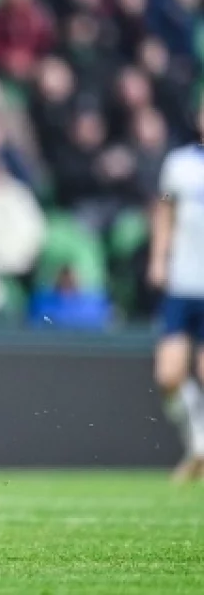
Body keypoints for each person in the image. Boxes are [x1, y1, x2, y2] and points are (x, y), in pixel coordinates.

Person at [148, 96, 204, 482]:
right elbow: (165, 209)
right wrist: (158, 258)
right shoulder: (179, 165)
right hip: (183, 282)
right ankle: (198, 442)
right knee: (169, 376)